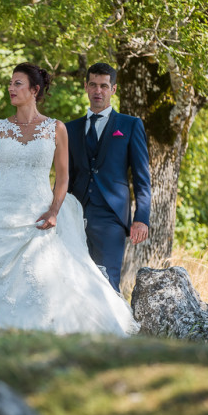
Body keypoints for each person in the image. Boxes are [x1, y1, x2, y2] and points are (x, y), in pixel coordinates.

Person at [0, 62, 138, 335]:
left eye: (18, 83)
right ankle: (3, 336)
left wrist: (54, 210)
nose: (11, 88)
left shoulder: (55, 128)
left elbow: (63, 178)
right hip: (0, 213)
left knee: (39, 276)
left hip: (38, 212)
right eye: (10, 83)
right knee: (4, 278)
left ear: (34, 90)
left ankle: (43, 333)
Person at [65, 62, 151, 294]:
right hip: (74, 213)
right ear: (85, 87)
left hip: (111, 216)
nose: (98, 91)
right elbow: (65, 176)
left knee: (107, 278)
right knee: (74, 278)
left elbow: (142, 177)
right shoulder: (69, 129)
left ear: (113, 89)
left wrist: (141, 217)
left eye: (104, 86)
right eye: (93, 85)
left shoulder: (130, 125)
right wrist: (57, 210)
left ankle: (111, 329)